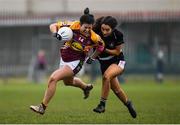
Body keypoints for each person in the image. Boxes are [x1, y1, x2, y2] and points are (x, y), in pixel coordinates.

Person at [30, 12, 105, 115]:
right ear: (80, 24)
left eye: (90, 28)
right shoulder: (72, 25)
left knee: (53, 79)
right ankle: (85, 87)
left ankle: (42, 107)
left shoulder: (94, 37)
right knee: (68, 82)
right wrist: (55, 34)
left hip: (76, 62)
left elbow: (101, 47)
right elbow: (53, 25)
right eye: (85, 27)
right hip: (64, 58)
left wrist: (92, 58)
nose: (87, 30)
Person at [91, 12, 137, 118]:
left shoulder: (118, 34)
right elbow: (87, 32)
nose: (104, 31)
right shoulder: (96, 31)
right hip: (103, 63)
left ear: (113, 29)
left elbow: (117, 52)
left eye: (107, 30)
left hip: (117, 61)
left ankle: (102, 104)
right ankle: (128, 103)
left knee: (106, 76)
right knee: (116, 90)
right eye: (103, 29)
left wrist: (104, 49)